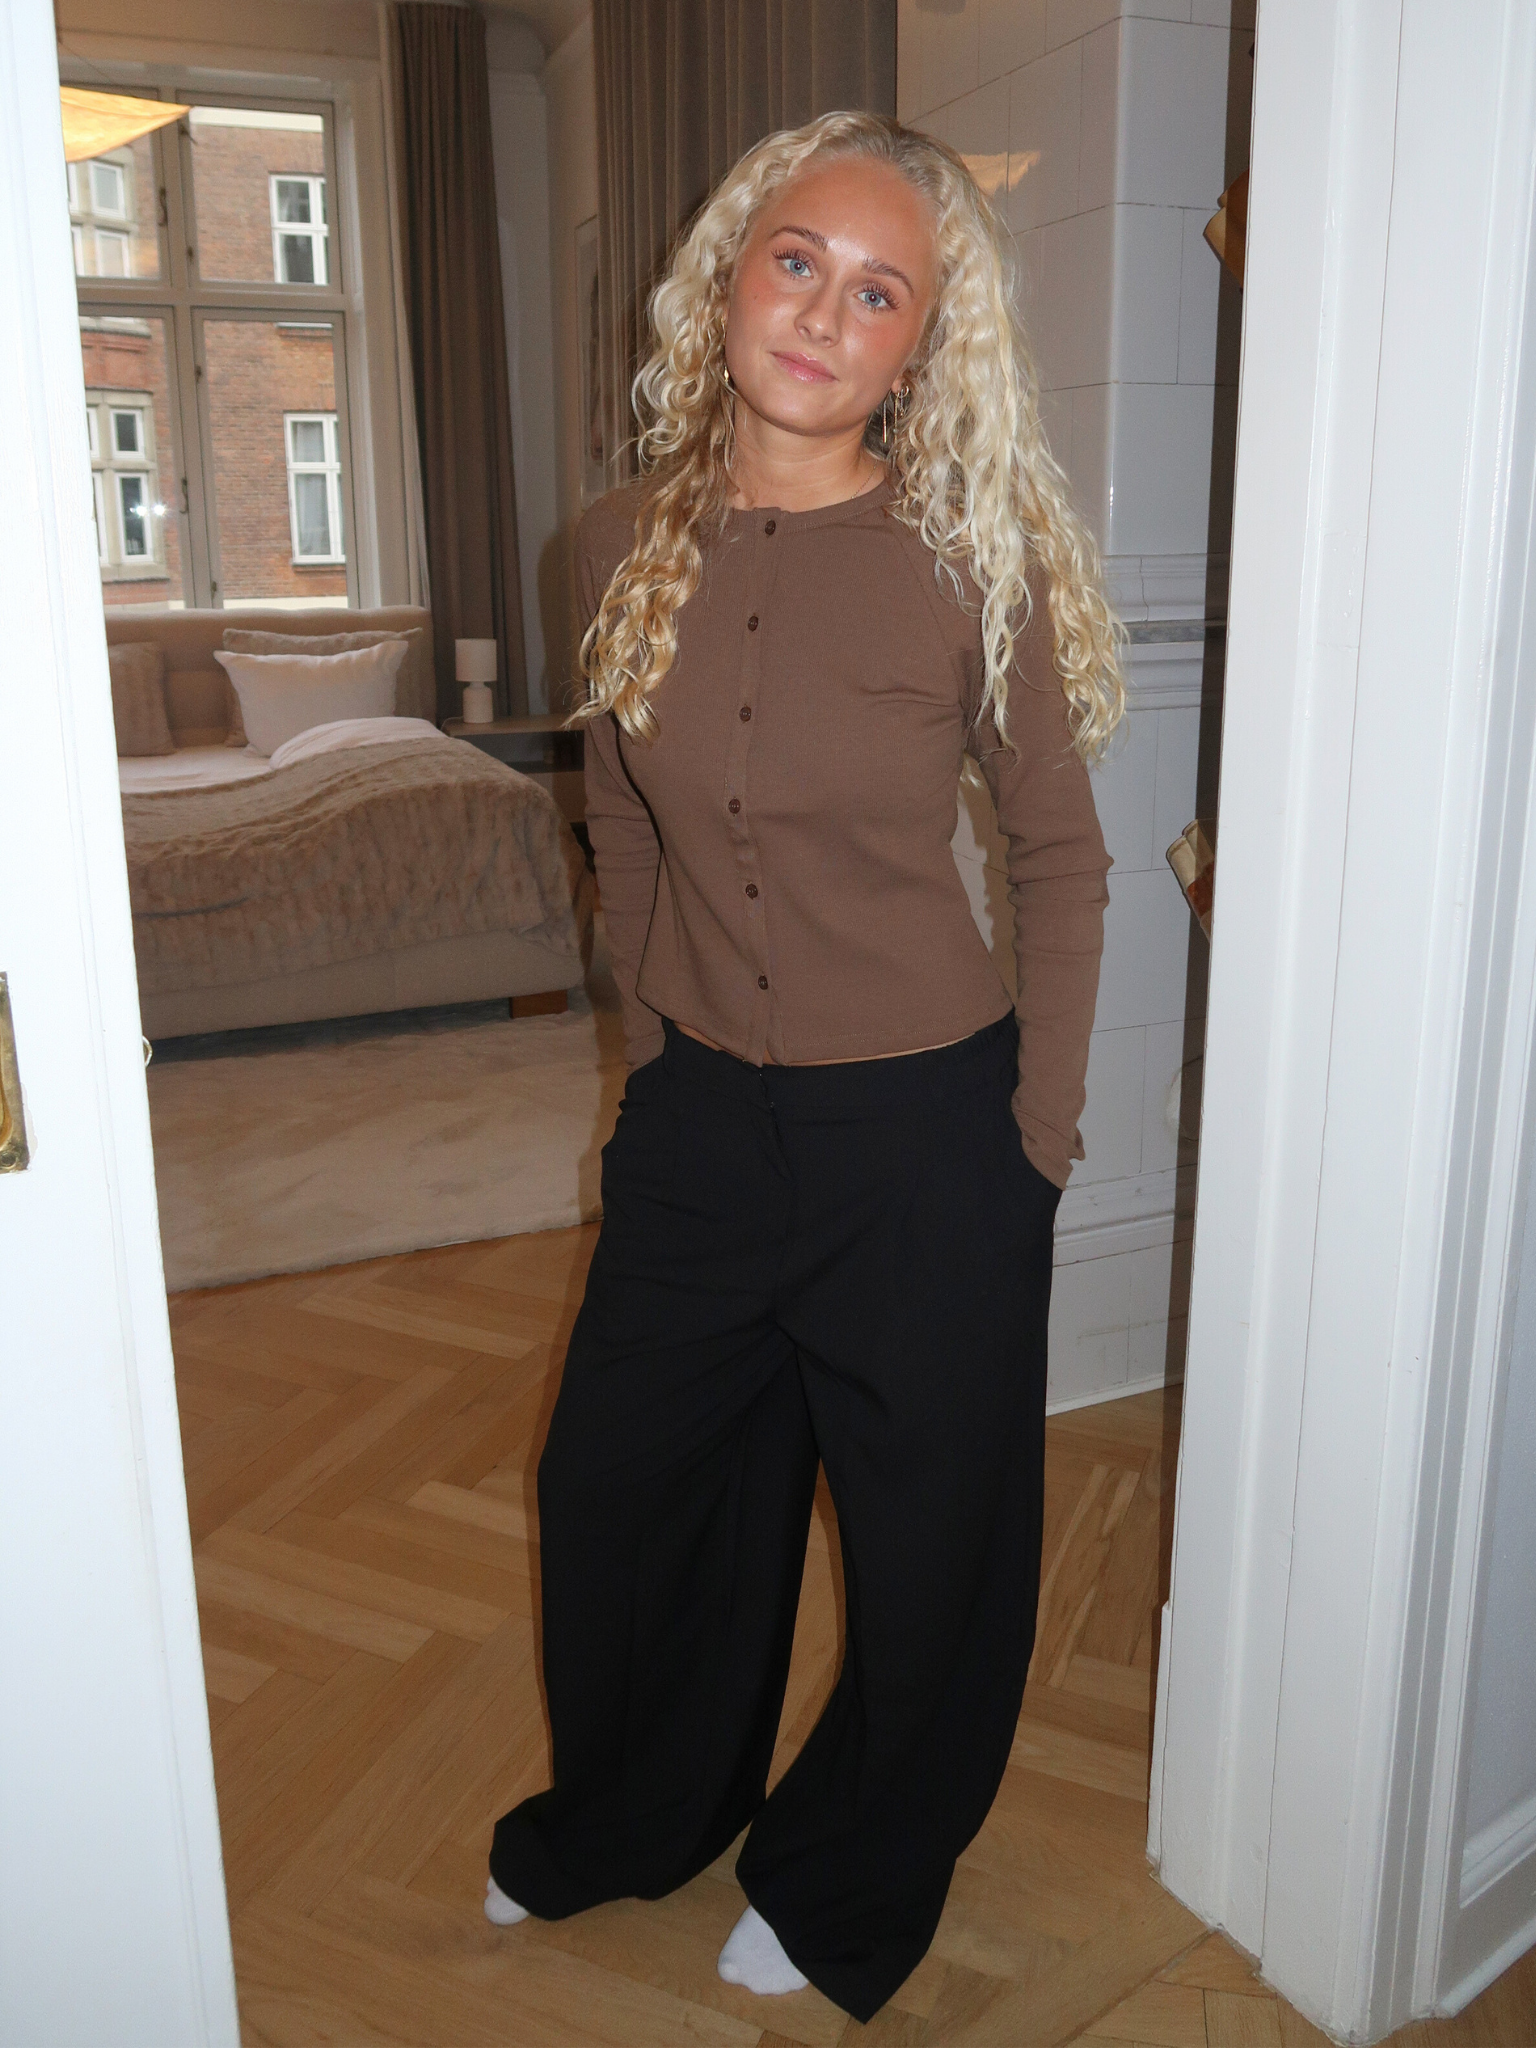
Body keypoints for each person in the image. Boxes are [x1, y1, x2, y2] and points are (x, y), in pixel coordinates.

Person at [485, 109, 1123, 2024]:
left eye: (879, 293)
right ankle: (641, 1814)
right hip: (701, 1126)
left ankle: (849, 1879)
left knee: (932, 1550)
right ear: (728, 273)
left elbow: (1062, 856)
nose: (825, 316)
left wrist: (1035, 1143)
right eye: (797, 263)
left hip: (929, 1134)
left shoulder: (971, 555)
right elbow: (618, 813)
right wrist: (658, 1040)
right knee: (625, 1490)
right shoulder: (612, 546)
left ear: (920, 345)